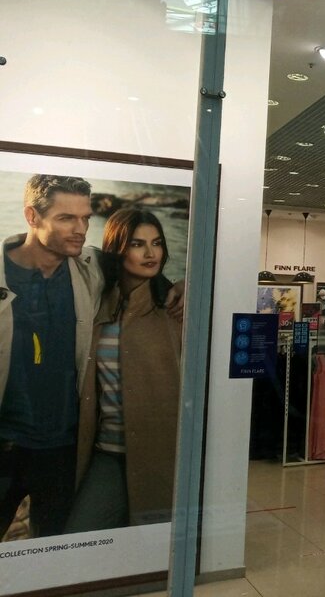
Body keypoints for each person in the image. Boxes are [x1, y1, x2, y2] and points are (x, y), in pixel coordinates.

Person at [0, 175, 104, 538]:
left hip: (62, 449)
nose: (81, 229)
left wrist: (179, 286)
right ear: (32, 216)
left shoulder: (92, 267)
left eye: (86, 218)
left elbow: (145, 271)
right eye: (66, 218)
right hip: (5, 446)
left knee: (52, 552)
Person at [66, 208, 182, 531]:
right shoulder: (97, 303)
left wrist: (191, 284)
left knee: (155, 547)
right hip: (107, 452)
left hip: (161, 456)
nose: (151, 253)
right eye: (137, 244)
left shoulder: (174, 308)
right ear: (117, 248)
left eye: (157, 243)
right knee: (79, 535)